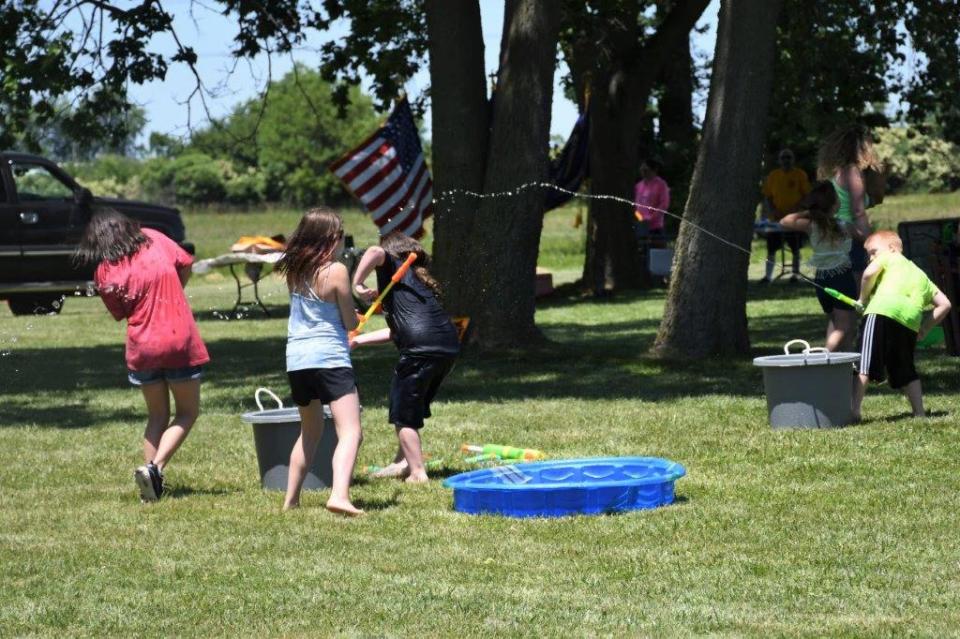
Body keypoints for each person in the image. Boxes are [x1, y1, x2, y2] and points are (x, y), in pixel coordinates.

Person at [75, 208, 209, 502]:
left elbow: (120, 313)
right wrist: (175, 290)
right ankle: (155, 469)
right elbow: (186, 263)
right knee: (187, 412)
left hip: (142, 346)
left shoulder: (104, 270)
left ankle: (151, 491)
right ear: (125, 226)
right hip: (177, 339)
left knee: (157, 416)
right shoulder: (153, 237)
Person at [351, 231, 460, 483]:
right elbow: (400, 329)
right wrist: (358, 340)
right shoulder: (415, 282)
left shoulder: (392, 263)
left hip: (420, 350)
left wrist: (357, 283)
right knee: (412, 407)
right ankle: (402, 462)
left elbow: (375, 252)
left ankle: (417, 472)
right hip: (446, 347)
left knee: (403, 414)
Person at [275, 208, 363, 515]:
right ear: (328, 239)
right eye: (339, 235)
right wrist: (355, 320)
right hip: (329, 358)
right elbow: (350, 321)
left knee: (309, 432)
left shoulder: (294, 271)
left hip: (298, 360)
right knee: (351, 431)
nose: (341, 241)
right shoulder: (336, 270)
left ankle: (291, 500)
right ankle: (339, 495)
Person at [852, 230, 952, 421]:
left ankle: (854, 410)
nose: (871, 258)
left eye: (873, 252)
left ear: (891, 248)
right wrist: (925, 327)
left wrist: (862, 299)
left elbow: (867, 275)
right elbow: (945, 304)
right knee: (905, 368)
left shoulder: (889, 257)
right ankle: (919, 412)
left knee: (864, 362)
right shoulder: (920, 274)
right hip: (910, 322)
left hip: (881, 311)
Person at [780, 181, 857, 351]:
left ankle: (846, 362)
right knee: (844, 327)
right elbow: (865, 239)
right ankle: (824, 356)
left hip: (821, 280)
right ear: (835, 204)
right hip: (843, 278)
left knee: (835, 322)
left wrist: (809, 212)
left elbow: (785, 221)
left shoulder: (811, 226)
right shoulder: (845, 226)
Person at [817, 125, 881, 283]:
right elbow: (858, 211)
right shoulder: (852, 171)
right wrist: (872, 243)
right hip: (852, 242)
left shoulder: (836, 172)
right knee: (859, 299)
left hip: (835, 238)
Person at [759, 148, 811, 283]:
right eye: (783, 158)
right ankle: (768, 276)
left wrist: (796, 210)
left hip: (794, 219)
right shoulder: (773, 175)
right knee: (771, 248)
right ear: (779, 160)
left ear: (793, 159)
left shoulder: (800, 175)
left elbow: (807, 196)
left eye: (788, 157)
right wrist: (773, 210)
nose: (786, 160)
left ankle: (795, 275)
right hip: (776, 219)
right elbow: (768, 196)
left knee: (795, 248)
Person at [633, 159, 670, 247]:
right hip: (640, 226)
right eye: (642, 171)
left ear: (654, 170)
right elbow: (635, 206)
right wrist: (640, 218)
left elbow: (664, 204)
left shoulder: (661, 184)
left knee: (656, 254)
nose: (643, 173)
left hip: (655, 227)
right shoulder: (638, 186)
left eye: (646, 171)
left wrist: (651, 219)